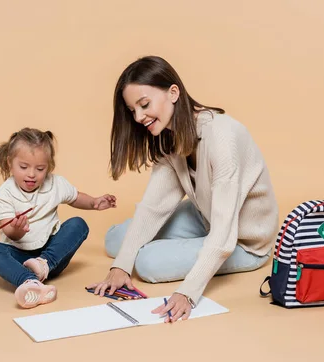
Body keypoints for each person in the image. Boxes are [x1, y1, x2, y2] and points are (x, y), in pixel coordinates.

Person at [87, 56, 279, 322]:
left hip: (244, 241)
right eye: (133, 110)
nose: (139, 117)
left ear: (173, 92)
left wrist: (188, 292)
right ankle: (184, 248)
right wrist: (120, 265)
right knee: (116, 241)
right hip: (206, 215)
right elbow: (154, 207)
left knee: (147, 263)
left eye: (144, 105)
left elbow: (224, 234)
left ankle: (187, 251)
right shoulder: (170, 137)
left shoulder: (222, 136)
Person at [0, 127, 116, 308]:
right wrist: (17, 230)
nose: (31, 174)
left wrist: (94, 203)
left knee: (78, 224)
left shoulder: (55, 184)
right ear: (9, 163)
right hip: (19, 258)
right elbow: (9, 232)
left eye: (40, 168)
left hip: (53, 258)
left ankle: (42, 266)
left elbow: (75, 197)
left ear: (49, 167)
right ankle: (30, 282)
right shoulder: (4, 194)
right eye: (23, 167)